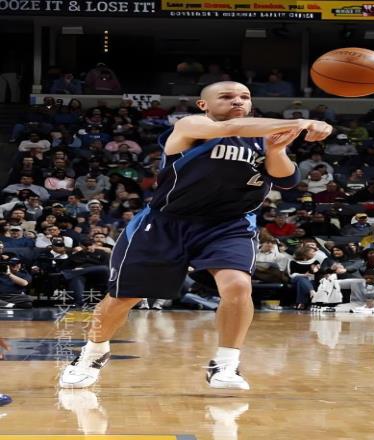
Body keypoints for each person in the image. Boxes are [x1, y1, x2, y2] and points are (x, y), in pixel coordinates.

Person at [58, 81, 332, 390]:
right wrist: (300, 122)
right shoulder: (191, 125)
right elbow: (230, 128)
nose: (237, 101)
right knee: (124, 298)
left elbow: (286, 180)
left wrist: (276, 149)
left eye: (244, 97)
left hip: (228, 225)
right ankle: (92, 353)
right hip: (166, 223)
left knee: (238, 286)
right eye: (226, 96)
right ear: (204, 104)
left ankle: (225, 364)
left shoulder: (261, 138)